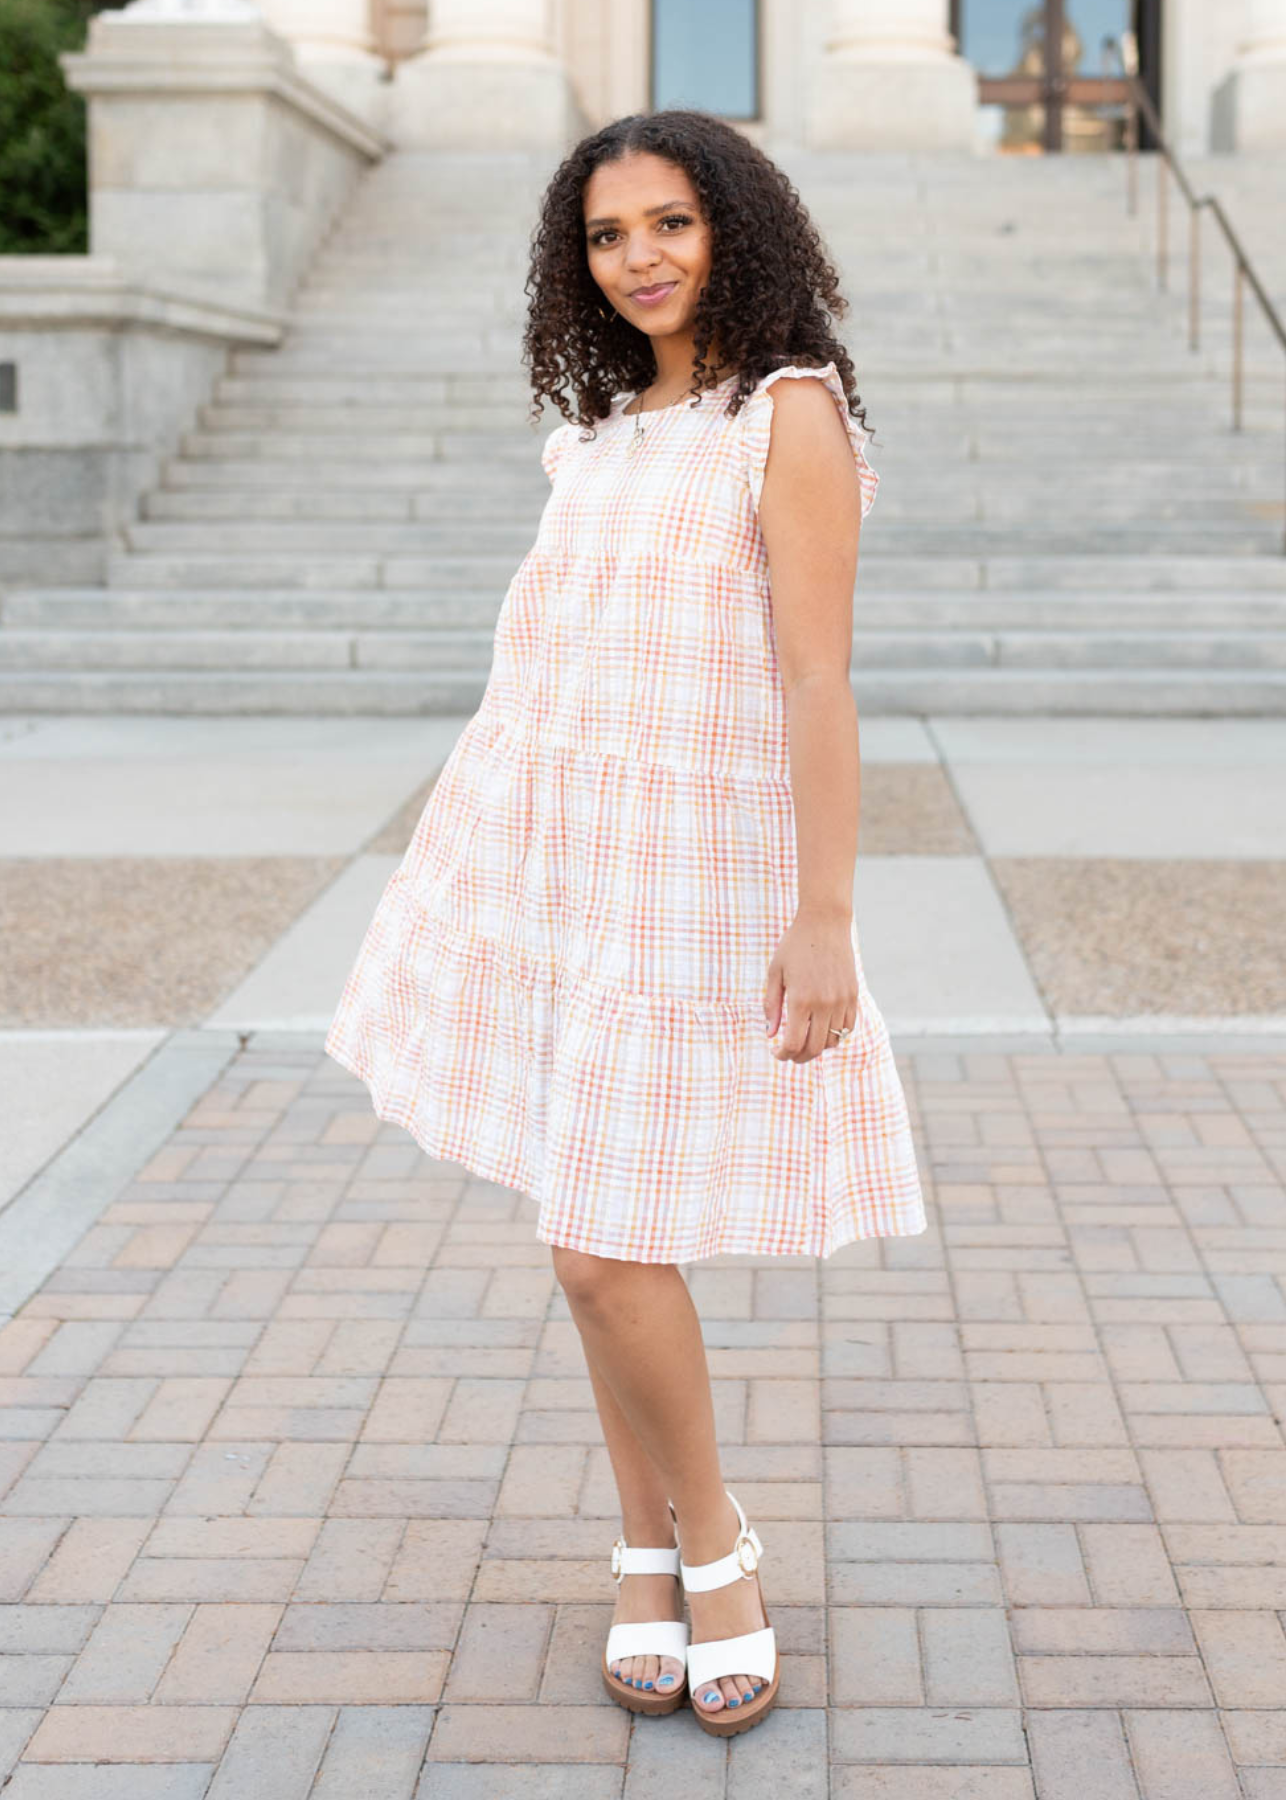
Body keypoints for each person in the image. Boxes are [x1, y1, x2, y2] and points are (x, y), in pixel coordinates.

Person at [324, 108, 927, 1738]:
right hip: (554, 856)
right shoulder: (594, 428)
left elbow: (815, 677)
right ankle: (643, 1548)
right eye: (605, 236)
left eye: (668, 222)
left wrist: (825, 915)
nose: (639, 259)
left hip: (696, 869)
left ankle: (712, 1537)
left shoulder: (779, 416)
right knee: (592, 1235)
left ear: (736, 226)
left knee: (601, 1241)